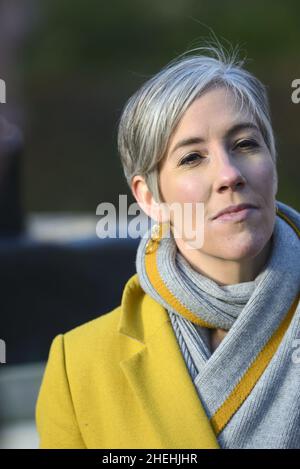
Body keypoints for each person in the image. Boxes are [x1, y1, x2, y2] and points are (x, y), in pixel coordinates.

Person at [35, 45, 300, 449]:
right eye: (193, 157)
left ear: (273, 162)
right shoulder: (80, 365)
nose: (229, 174)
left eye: (245, 144)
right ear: (148, 197)